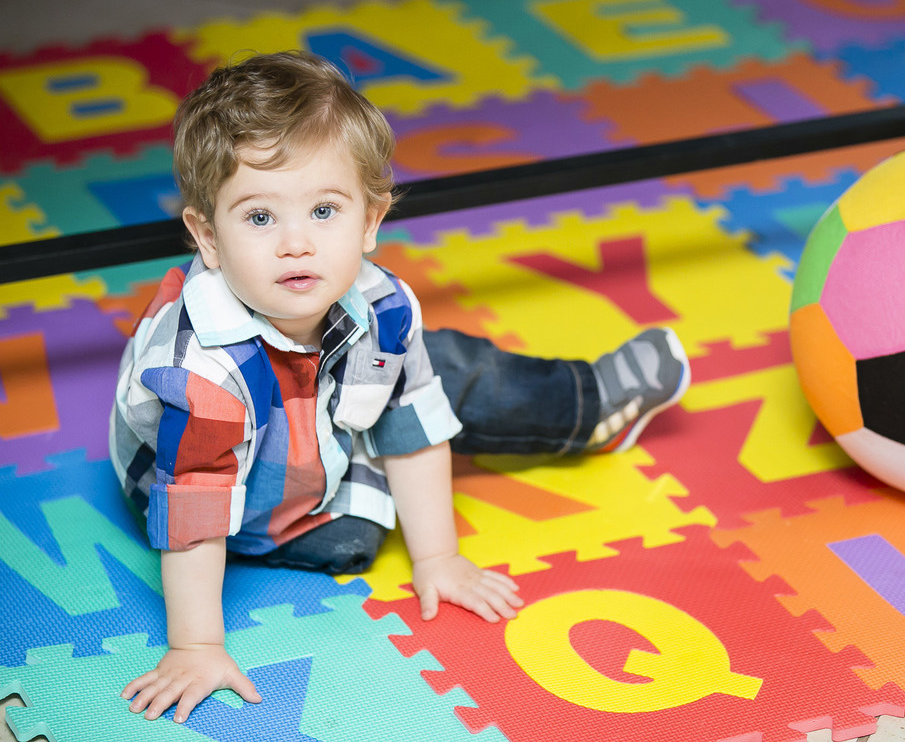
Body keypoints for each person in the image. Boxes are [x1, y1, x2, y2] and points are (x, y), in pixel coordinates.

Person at [109, 51, 689, 724]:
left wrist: (438, 556)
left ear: (371, 220)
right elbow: (195, 515)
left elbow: (412, 426)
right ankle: (348, 464)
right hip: (227, 480)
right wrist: (197, 645)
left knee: (444, 366)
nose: (297, 243)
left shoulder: (378, 303)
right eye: (260, 218)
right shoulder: (200, 374)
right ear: (208, 237)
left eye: (325, 211)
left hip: (319, 403)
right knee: (353, 535)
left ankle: (583, 405)